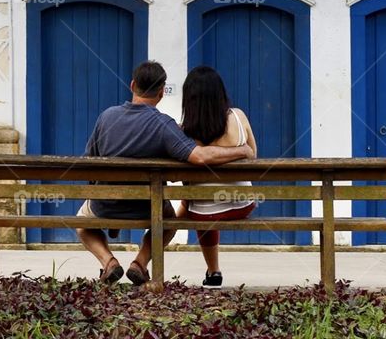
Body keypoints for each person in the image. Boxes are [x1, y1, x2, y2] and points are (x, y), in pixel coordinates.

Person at [76, 60, 255, 286]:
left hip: (106, 204)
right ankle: (140, 262)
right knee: (169, 221)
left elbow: (88, 163)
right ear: (161, 93)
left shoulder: (106, 117)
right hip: (147, 207)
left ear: (132, 85)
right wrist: (242, 150)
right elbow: (198, 156)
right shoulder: (164, 126)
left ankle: (108, 261)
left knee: (82, 223)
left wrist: (101, 195)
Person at [176, 65, 258, 289]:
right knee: (201, 199)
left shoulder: (184, 131)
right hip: (243, 204)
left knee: (199, 201)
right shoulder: (238, 117)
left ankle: (213, 272)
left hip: (204, 212)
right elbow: (254, 156)